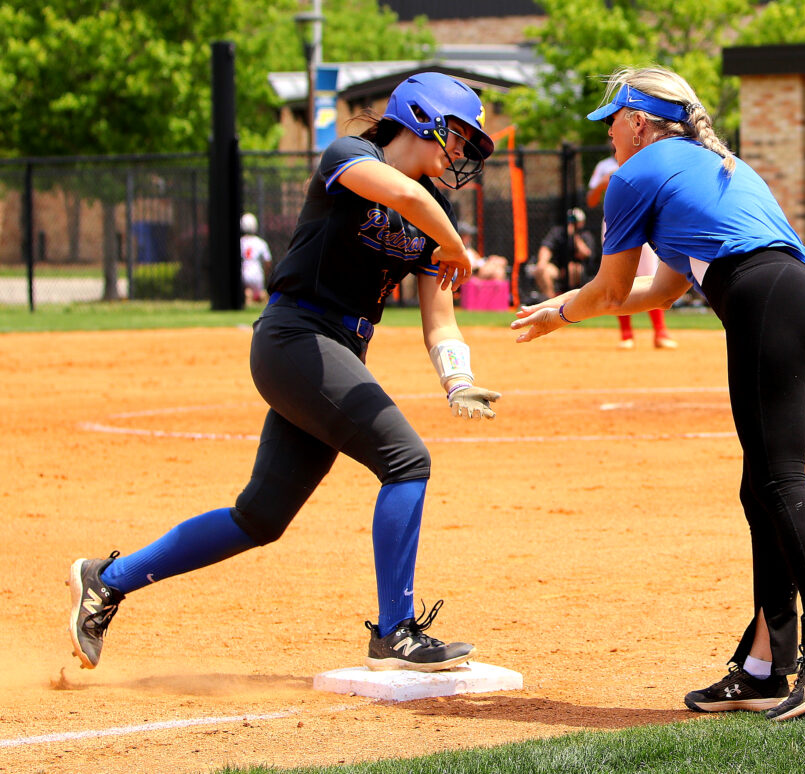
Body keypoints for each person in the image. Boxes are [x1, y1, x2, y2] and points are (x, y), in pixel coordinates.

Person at [67, 72, 502, 674]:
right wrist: (455, 243)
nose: (460, 153)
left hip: (335, 356)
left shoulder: (438, 214)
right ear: (421, 116)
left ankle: (105, 581)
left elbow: (439, 321)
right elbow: (401, 198)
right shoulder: (351, 156)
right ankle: (396, 632)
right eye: (456, 136)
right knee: (407, 461)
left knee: (260, 518)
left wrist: (457, 378)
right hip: (295, 336)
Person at [512, 65, 805, 721]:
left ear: (640, 123)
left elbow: (615, 291)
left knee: (778, 480)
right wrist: (572, 304)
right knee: (762, 484)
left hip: (767, 301)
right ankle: (766, 665)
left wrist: (559, 311)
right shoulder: (709, 163)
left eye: (613, 124)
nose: (609, 138)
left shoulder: (636, 175)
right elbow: (664, 289)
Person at [587, 154, 676, 350]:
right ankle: (626, 335)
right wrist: (603, 183)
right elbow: (590, 200)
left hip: (643, 221)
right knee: (617, 277)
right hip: (614, 224)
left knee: (650, 276)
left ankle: (660, 333)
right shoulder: (604, 165)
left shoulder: (644, 160)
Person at [533, 207, 595, 299]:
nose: (572, 224)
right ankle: (550, 301)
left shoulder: (585, 235)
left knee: (572, 269)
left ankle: (571, 301)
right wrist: (542, 262)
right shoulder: (558, 232)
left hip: (577, 270)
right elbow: (546, 248)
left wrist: (574, 236)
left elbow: (585, 253)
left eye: (575, 221)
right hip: (558, 269)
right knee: (542, 270)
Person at [240, 212, 273, 304]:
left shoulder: (240, 242)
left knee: (247, 292)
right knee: (260, 294)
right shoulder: (260, 242)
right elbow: (267, 261)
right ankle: (260, 296)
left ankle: (247, 295)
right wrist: (265, 274)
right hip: (257, 273)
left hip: (244, 272)